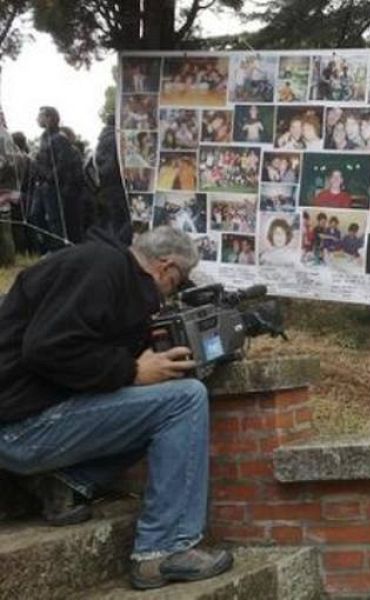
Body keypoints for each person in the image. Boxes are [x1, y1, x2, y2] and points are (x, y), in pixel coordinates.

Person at [0, 226, 233, 590]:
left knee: (162, 401)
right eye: (179, 281)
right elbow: (47, 347)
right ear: (165, 267)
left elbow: (83, 347)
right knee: (184, 400)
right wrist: (132, 370)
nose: (176, 289)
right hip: (19, 427)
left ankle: (64, 482)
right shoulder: (100, 267)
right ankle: (163, 549)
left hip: (30, 420)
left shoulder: (113, 274)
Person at [29, 107, 88, 251]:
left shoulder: (59, 138)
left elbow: (63, 162)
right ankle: (49, 246)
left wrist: (50, 177)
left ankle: (59, 249)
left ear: (49, 118)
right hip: (41, 185)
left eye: (40, 116)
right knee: (35, 215)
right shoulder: (44, 137)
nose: (37, 119)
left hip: (52, 186)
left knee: (56, 220)